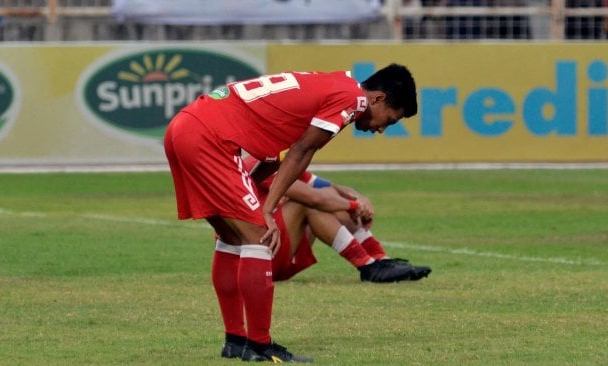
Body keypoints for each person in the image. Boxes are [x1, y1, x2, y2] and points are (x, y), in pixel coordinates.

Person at [164, 63, 418, 363]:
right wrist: (266, 210)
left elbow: (280, 156)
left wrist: (256, 199)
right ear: (377, 99)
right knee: (259, 239)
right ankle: (259, 346)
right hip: (209, 138)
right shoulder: (353, 100)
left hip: (185, 128)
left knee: (231, 237)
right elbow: (301, 152)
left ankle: (235, 341)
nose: (381, 129)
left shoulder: (330, 87)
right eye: (389, 119)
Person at [243, 155, 432, 283]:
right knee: (311, 204)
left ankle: (381, 259)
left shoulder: (280, 158)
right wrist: (355, 206)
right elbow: (313, 198)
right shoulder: (259, 163)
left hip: (272, 248)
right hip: (258, 258)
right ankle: (367, 266)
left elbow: (326, 186)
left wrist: (356, 197)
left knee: (333, 200)